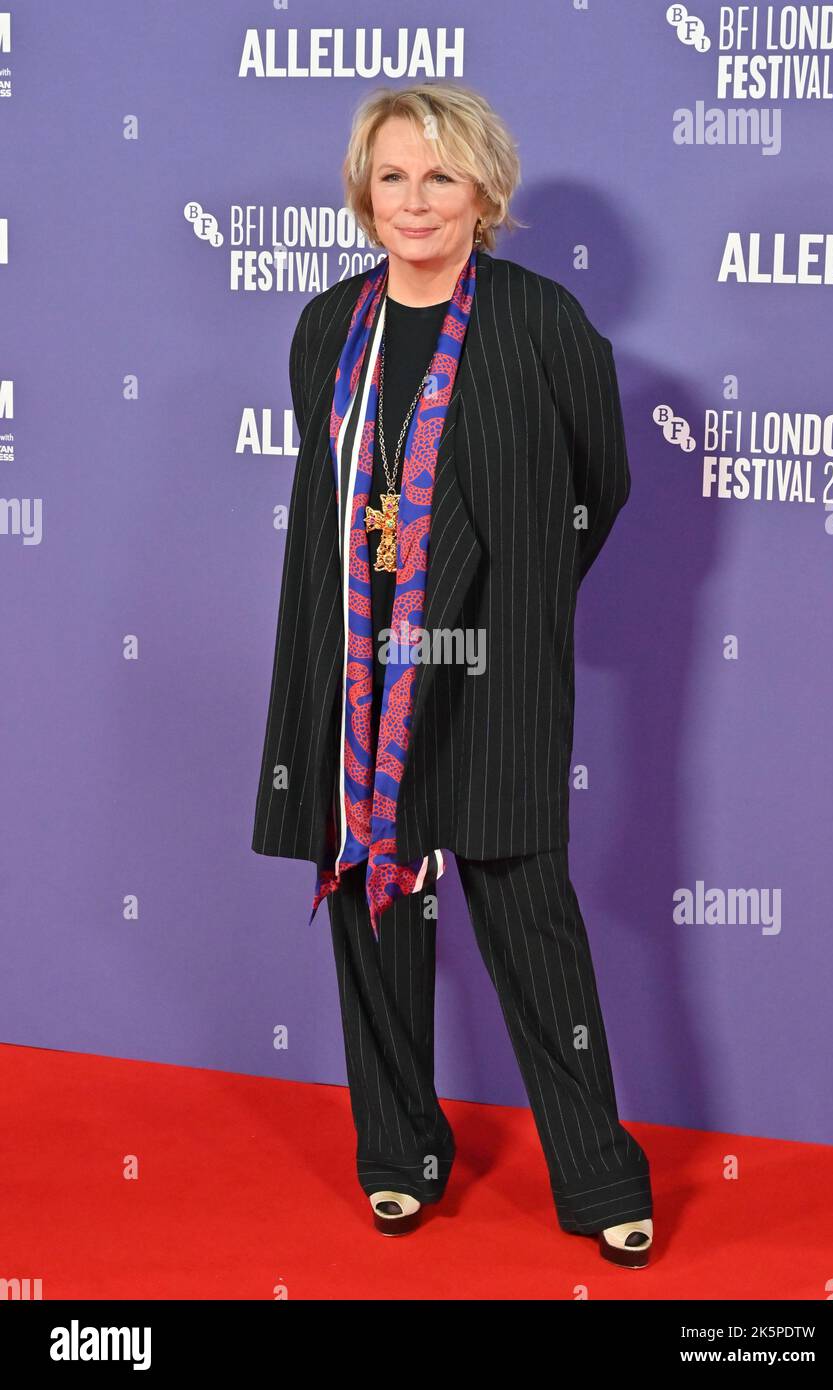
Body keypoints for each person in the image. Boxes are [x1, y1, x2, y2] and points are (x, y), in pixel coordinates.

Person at [252, 80, 654, 1268]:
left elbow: (601, 487)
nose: (414, 199)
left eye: (440, 176)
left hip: (487, 659)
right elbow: (331, 504)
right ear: (362, 194)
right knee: (373, 896)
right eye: (392, 176)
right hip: (354, 663)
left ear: (484, 194)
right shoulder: (329, 327)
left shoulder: (542, 321)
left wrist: (504, 603)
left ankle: (597, 1177)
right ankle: (400, 1153)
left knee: (529, 912)